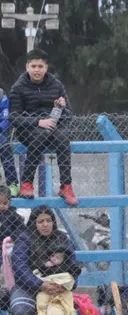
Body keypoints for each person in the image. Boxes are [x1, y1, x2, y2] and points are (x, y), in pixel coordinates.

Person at [9, 205, 81, 315]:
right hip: (27, 287)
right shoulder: (24, 239)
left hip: (56, 287)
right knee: (20, 310)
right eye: (40, 221)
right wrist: (40, 284)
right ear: (34, 223)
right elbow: (20, 269)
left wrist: (66, 285)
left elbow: (74, 267)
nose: (45, 224)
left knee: (59, 310)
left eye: (48, 220)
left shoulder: (62, 238)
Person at [9, 49, 77, 205]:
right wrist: (38, 122)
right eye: (33, 66)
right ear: (27, 67)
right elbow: (14, 118)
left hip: (53, 130)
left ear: (46, 68)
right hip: (29, 132)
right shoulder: (18, 88)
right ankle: (26, 183)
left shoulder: (56, 85)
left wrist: (61, 108)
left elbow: (69, 115)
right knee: (41, 134)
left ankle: (66, 186)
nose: (37, 70)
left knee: (63, 136)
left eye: (40, 66)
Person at [0, 185, 23, 311]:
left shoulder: (13, 215)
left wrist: (12, 237)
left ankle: (5, 291)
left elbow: (21, 230)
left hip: (7, 252)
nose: (2, 206)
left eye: (5, 203)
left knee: (5, 271)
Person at [0, 87, 19, 195]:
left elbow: (6, 117)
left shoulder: (1, 95)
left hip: (0, 132)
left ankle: (13, 184)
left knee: (4, 146)